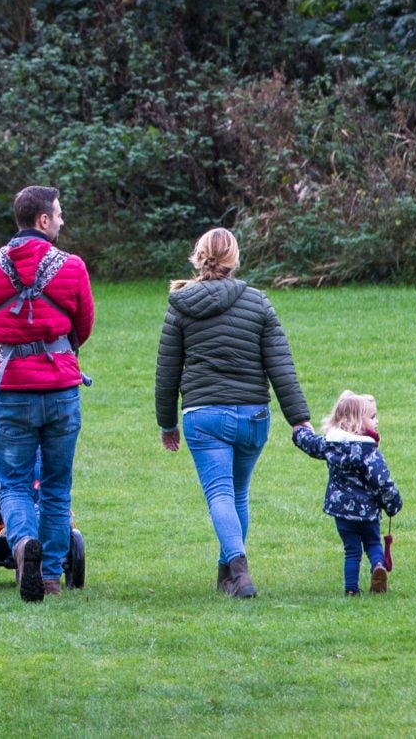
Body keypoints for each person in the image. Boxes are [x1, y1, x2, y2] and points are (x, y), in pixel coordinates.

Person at [154, 226, 307, 598]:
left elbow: (167, 370)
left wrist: (167, 423)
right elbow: (281, 366)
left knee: (221, 493)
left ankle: (238, 570)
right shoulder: (258, 302)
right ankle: (229, 575)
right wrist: (298, 419)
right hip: (254, 417)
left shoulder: (181, 305)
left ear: (199, 255)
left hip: (204, 416)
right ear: (234, 259)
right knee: (238, 494)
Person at [0, 184, 95, 602]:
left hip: (11, 391)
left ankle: (21, 547)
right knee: (56, 486)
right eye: (58, 214)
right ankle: (50, 576)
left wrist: (4, 354)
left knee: (14, 484)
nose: (61, 220)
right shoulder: (71, 266)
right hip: (60, 390)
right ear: (42, 220)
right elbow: (83, 325)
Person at [292, 390, 404, 595]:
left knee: (351, 551)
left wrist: (299, 431)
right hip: (368, 511)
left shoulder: (330, 446)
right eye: (372, 417)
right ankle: (378, 566)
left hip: (342, 512)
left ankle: (351, 589)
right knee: (372, 542)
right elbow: (382, 482)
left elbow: (310, 444)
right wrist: (393, 504)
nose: (377, 421)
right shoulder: (370, 452)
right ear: (356, 422)